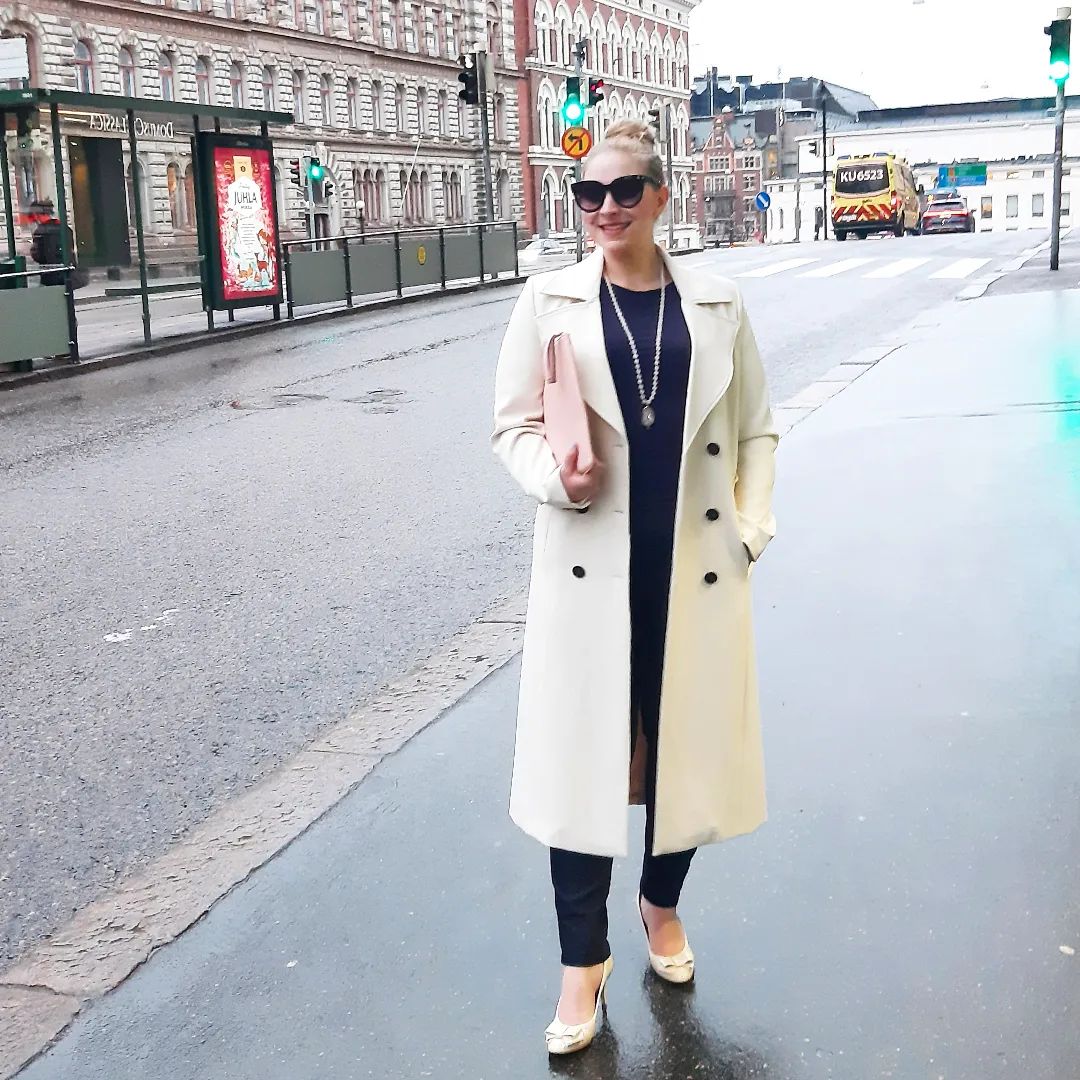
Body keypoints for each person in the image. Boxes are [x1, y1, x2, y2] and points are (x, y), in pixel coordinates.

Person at [491, 119, 778, 1056]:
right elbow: (512, 426)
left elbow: (757, 429)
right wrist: (555, 478)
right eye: (589, 192)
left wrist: (749, 531)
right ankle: (583, 960)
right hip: (589, 572)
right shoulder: (550, 301)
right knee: (580, 764)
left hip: (694, 568)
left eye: (623, 190)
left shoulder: (718, 304)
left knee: (684, 754)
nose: (604, 208)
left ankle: (660, 902)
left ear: (660, 195)